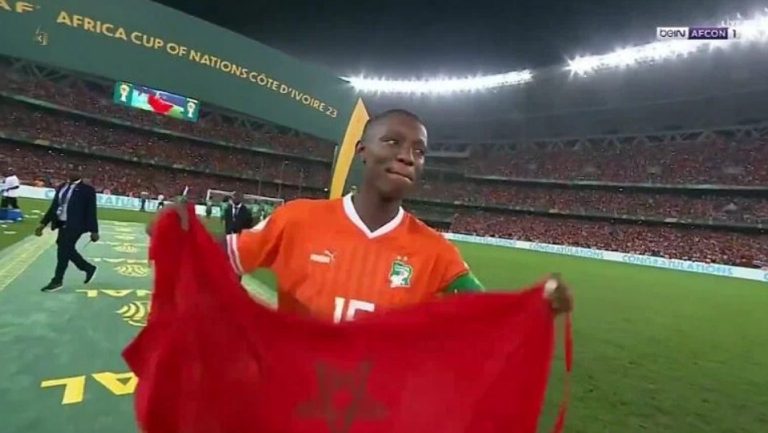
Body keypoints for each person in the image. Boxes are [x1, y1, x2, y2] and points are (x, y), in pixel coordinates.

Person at [148, 109, 572, 321]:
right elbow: (224, 258)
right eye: (393, 142)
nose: (407, 157)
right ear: (362, 151)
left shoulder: (437, 253)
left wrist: (535, 306)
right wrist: (181, 237)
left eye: (419, 151)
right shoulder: (296, 220)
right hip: (291, 408)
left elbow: (487, 313)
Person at [36, 173, 99, 292]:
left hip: (76, 225)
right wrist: (43, 224)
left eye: (76, 169)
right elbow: (54, 206)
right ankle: (87, 268)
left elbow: (91, 210)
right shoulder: (62, 187)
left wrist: (94, 231)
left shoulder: (87, 190)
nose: (73, 172)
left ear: (81, 173)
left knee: (64, 249)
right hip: (61, 222)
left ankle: (57, 280)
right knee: (63, 249)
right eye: (71, 169)